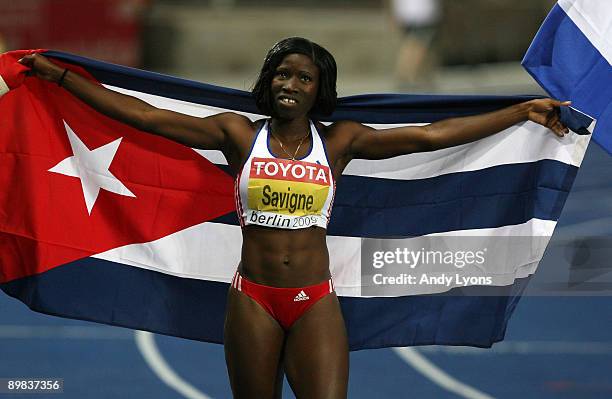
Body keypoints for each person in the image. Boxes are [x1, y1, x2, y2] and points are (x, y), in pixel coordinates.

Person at [18, 37, 569, 399]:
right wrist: (63, 79)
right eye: (282, 74)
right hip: (253, 298)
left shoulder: (341, 141)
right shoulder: (237, 135)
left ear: (318, 90)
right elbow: (144, 116)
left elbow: (429, 136)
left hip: (315, 301)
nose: (290, 85)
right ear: (268, 80)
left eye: (304, 79)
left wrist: (519, 111)